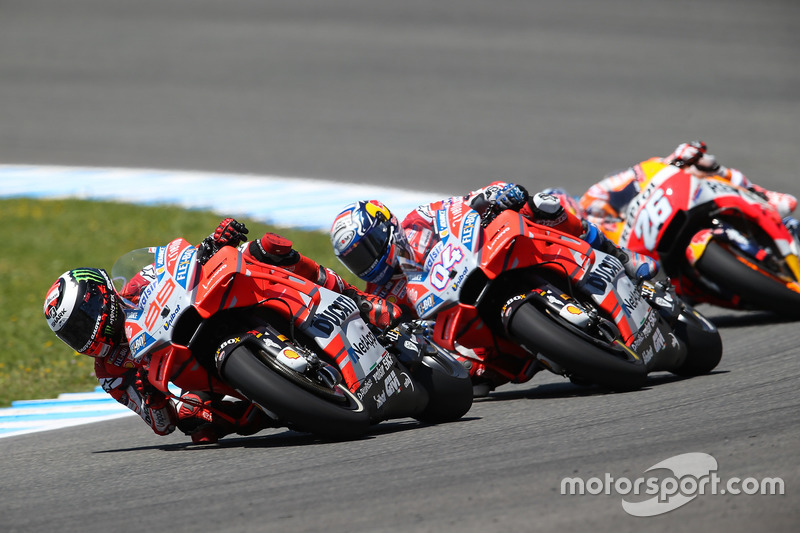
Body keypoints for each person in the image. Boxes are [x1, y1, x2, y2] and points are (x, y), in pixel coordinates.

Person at [44, 218, 403, 444]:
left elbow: (181, 264)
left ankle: (355, 298)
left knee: (266, 249)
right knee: (194, 423)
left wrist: (213, 243)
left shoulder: (138, 284)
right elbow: (161, 425)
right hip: (196, 372)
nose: (84, 334)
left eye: (82, 319)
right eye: (72, 333)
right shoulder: (110, 372)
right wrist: (149, 395)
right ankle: (276, 406)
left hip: (206, 308)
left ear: (102, 295)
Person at [329, 182, 658, 395]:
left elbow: (461, 205)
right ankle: (546, 352)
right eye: (356, 259)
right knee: (473, 380)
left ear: (386, 227)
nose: (367, 263)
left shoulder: (418, 221)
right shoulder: (381, 291)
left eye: (367, 248)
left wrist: (494, 196)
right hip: (464, 324)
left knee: (545, 204)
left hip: (484, 261)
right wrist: (409, 333)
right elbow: (394, 323)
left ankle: (618, 255)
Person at [579, 140, 799, 238]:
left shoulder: (595, 196)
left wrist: (680, 158)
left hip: (675, 205)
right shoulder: (586, 227)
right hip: (653, 259)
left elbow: (652, 169)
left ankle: (760, 196)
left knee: (698, 166)